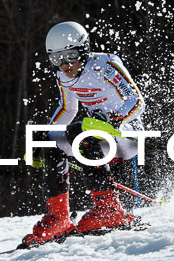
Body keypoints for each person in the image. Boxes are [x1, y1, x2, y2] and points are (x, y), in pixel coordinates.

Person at [23, 21, 146, 247]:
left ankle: (109, 209)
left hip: (127, 133)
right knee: (50, 140)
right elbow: (68, 109)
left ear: (83, 50)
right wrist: (42, 137)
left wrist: (114, 118)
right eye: (56, 59)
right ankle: (59, 217)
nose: (64, 64)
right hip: (95, 135)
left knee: (81, 132)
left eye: (70, 56)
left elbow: (137, 101)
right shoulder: (64, 77)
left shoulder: (106, 65)